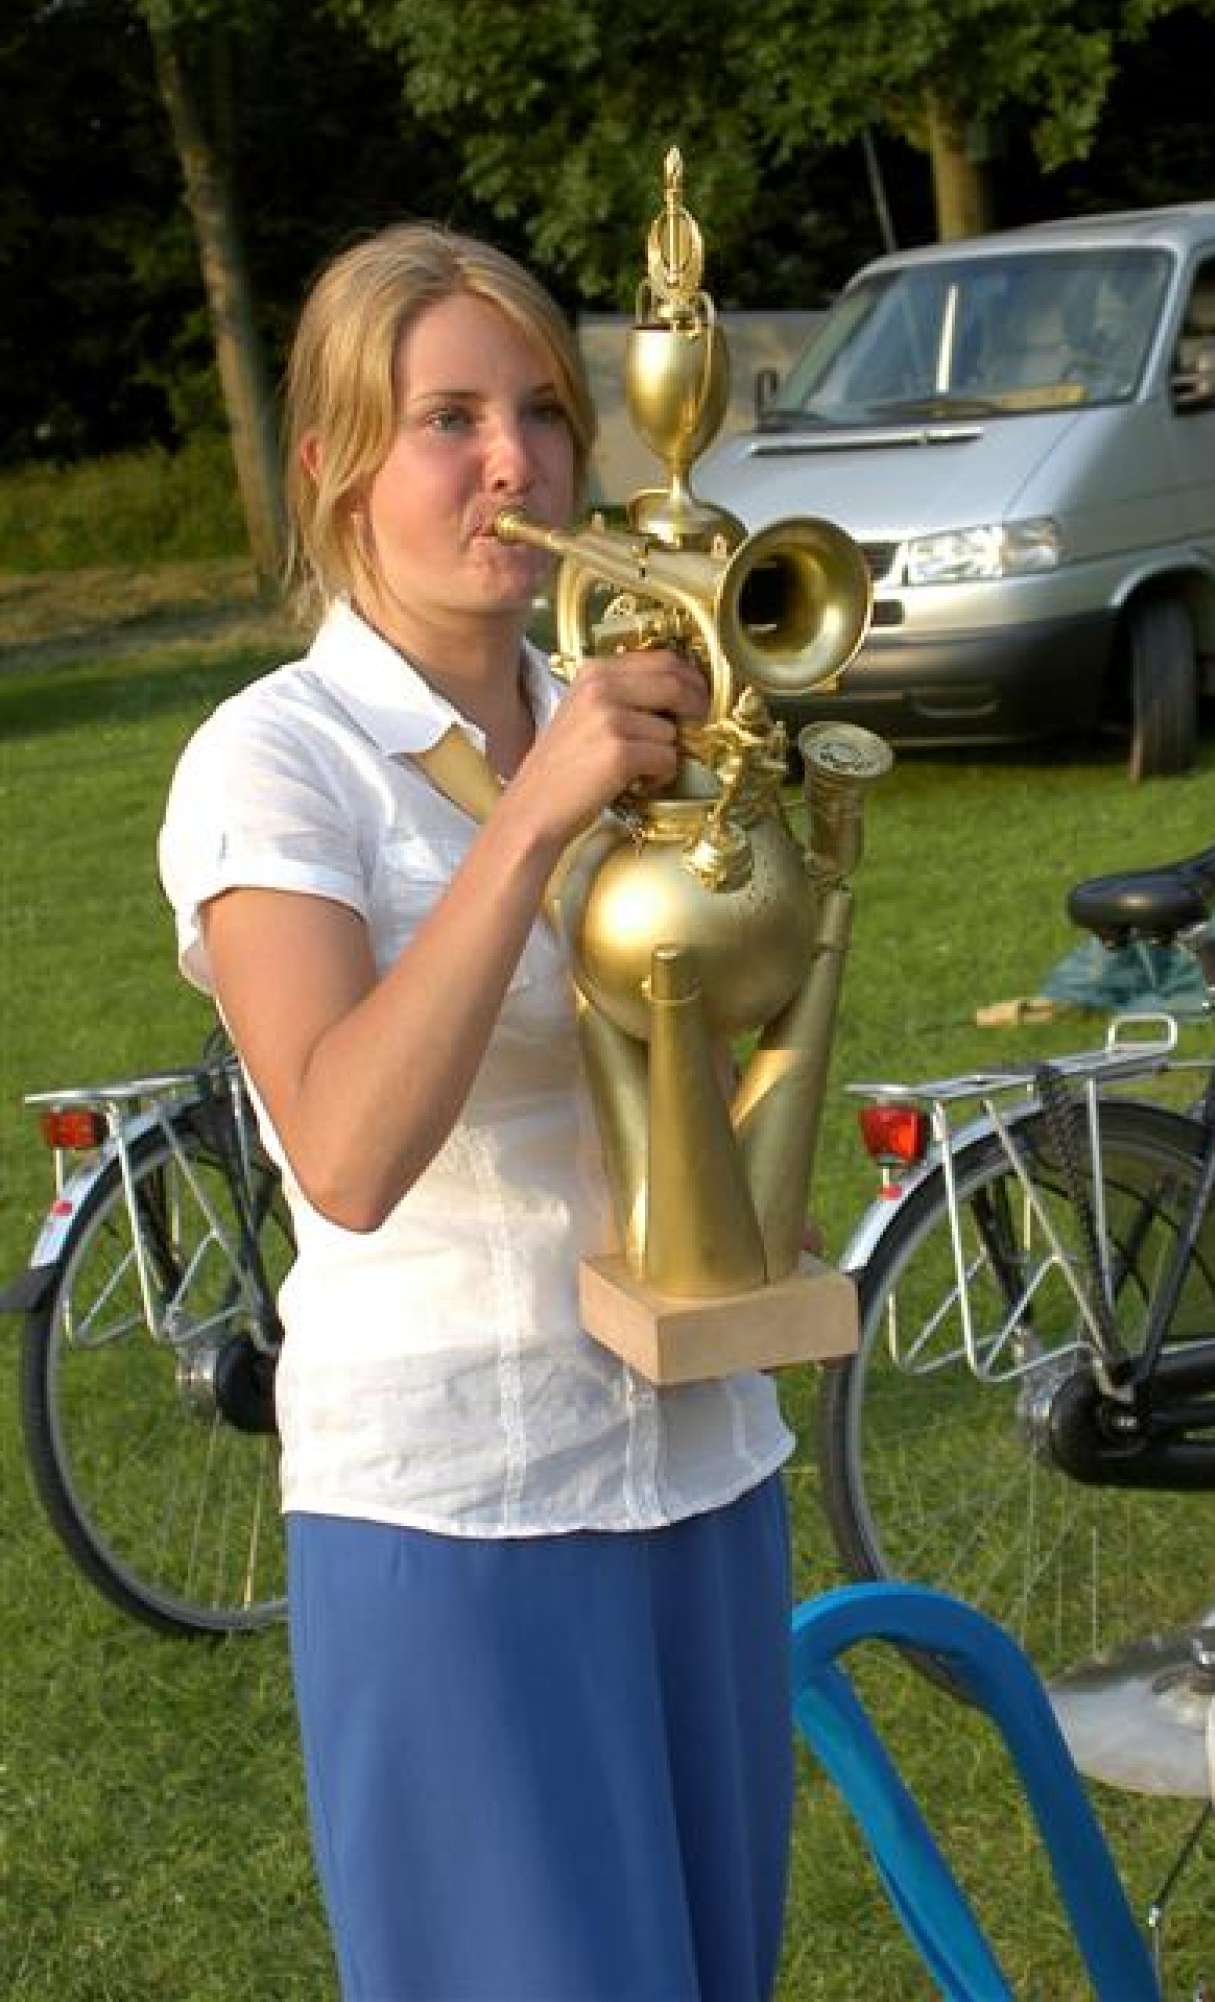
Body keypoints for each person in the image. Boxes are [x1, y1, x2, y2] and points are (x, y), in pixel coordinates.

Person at [158, 223, 795, 2002]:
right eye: (448, 419)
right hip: (457, 1508)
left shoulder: (618, 718)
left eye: (543, 410)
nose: (514, 462)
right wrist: (531, 822)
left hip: (701, 1464)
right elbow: (346, 1151)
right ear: (335, 466)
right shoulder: (272, 756)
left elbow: (691, 1052)